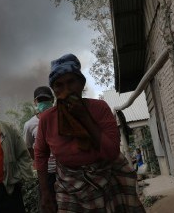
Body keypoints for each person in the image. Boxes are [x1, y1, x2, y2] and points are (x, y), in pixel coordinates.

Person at [34, 54, 144, 213]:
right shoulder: (47, 119)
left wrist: (85, 117)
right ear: (54, 90)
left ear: (81, 83)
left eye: (71, 82)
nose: (66, 90)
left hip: (106, 178)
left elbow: (111, 151)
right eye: (58, 85)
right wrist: (45, 193)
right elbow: (40, 154)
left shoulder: (99, 108)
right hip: (69, 185)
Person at [23, 86, 57, 212]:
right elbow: (29, 147)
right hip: (45, 174)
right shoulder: (29, 125)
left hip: (64, 171)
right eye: (40, 100)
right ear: (35, 102)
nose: (43, 103)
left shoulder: (62, 118)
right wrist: (40, 162)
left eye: (46, 99)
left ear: (52, 100)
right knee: (48, 206)